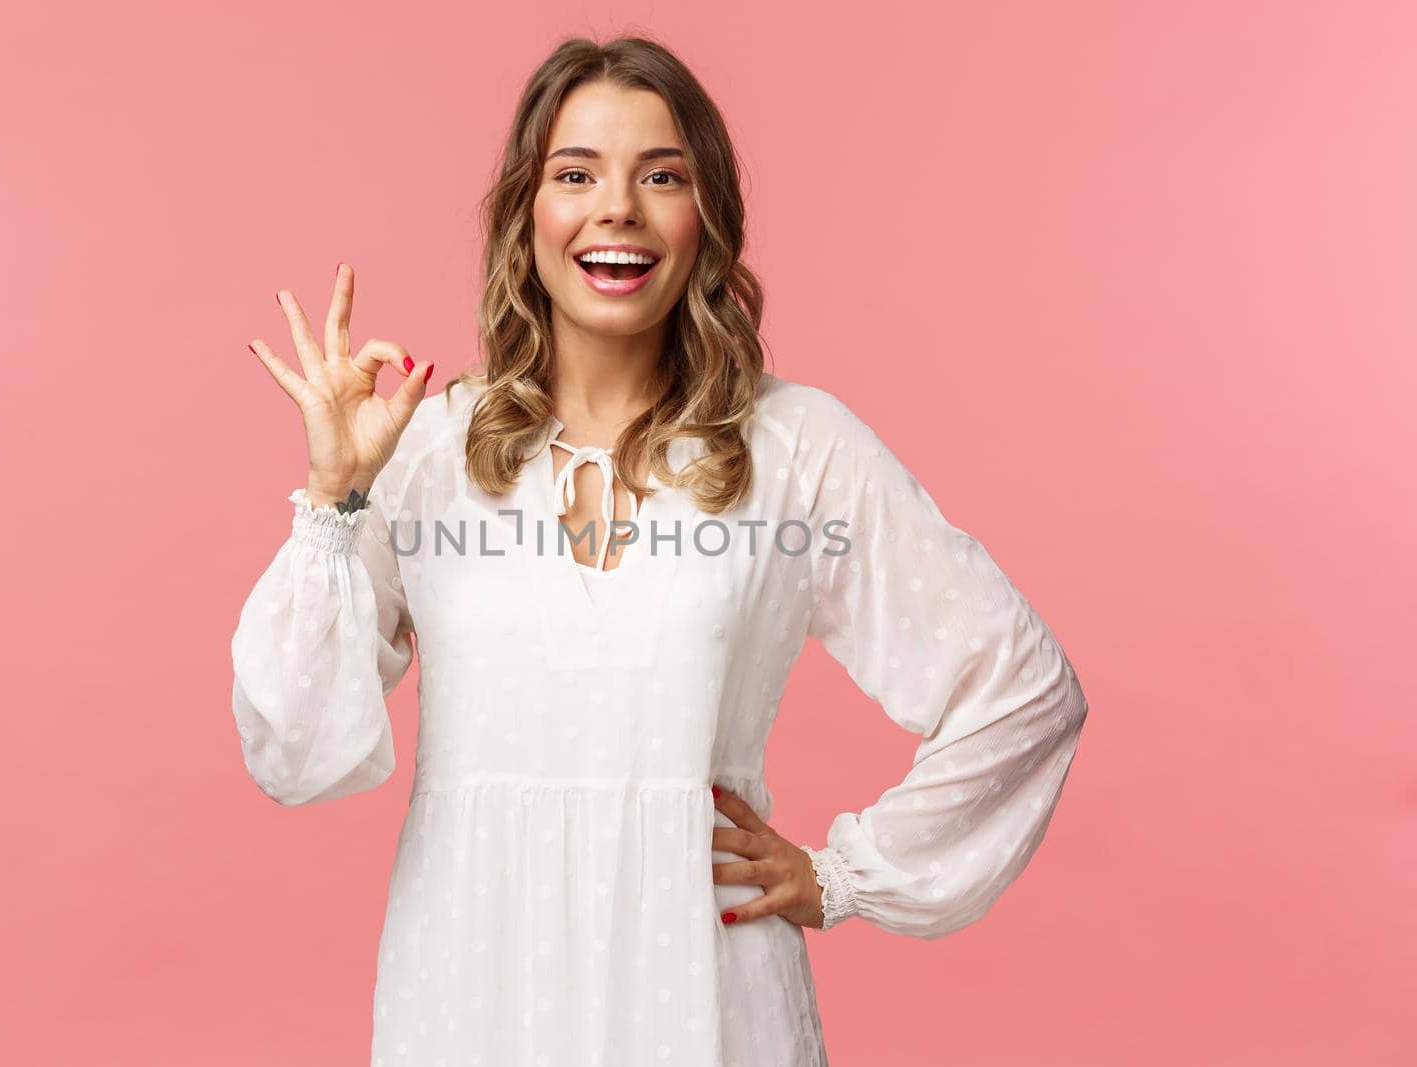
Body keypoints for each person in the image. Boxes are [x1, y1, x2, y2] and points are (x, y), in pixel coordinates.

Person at [231, 34, 1089, 1067]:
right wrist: (335, 496)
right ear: (526, 215)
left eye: (661, 176)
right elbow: (295, 747)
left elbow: (1023, 687)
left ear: (705, 217)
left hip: (705, 986)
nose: (617, 210)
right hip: (474, 981)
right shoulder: (424, 449)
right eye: (575, 173)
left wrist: (847, 873)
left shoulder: (796, 447)